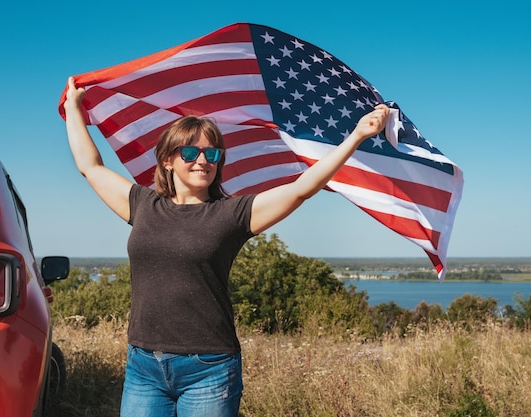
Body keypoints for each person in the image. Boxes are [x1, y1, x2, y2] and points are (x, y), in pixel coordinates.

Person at [63, 76, 390, 417]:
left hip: (209, 367)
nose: (202, 159)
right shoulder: (142, 205)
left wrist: (356, 136)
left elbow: (300, 189)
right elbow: (91, 167)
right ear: (167, 160)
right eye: (190, 151)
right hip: (144, 365)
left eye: (212, 152)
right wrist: (74, 108)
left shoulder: (232, 214)